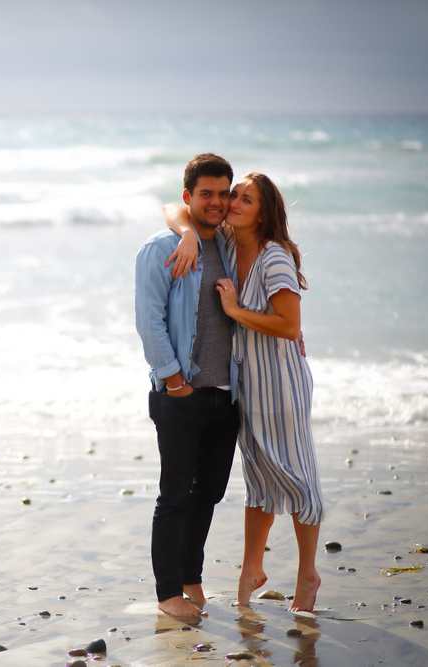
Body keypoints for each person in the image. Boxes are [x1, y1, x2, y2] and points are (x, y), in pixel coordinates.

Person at [163, 171, 324, 612]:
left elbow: (289, 326)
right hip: (247, 381)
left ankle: (308, 573)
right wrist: (186, 235)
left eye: (245, 199)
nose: (232, 203)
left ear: (264, 212)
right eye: (235, 195)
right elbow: (171, 208)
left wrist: (235, 309)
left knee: (295, 472)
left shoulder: (274, 258)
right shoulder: (231, 244)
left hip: (282, 381)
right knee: (260, 473)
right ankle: (252, 568)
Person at [134, 153, 241, 622]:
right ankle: (166, 591)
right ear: (188, 197)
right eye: (206, 194)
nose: (215, 202)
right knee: (176, 492)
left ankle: (191, 576)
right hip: (180, 393)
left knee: (210, 491)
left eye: (223, 193)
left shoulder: (233, 248)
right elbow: (149, 320)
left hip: (226, 392)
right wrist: (173, 379)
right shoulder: (161, 249)